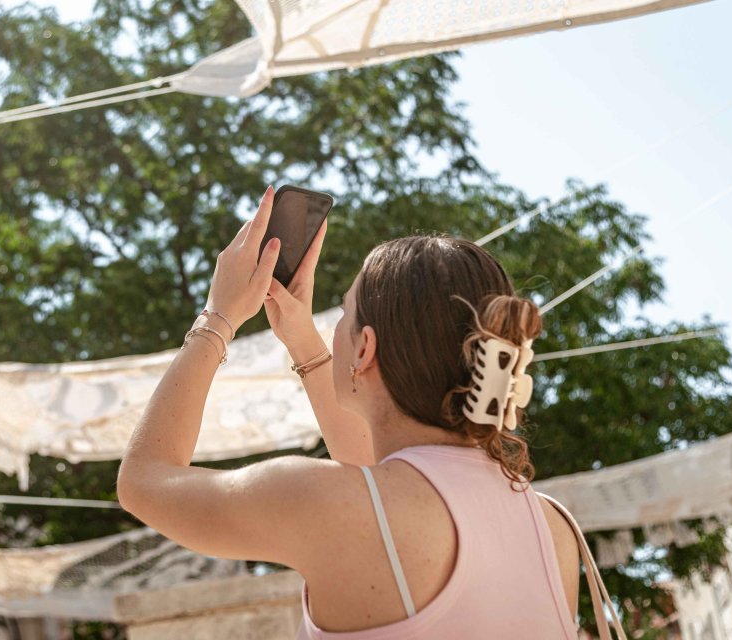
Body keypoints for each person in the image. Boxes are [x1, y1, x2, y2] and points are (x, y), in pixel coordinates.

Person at [117, 186, 585, 638]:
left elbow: (143, 480)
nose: (334, 325)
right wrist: (302, 337)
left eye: (343, 313)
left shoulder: (321, 500)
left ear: (364, 347)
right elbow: (383, 483)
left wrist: (217, 316)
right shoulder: (554, 528)